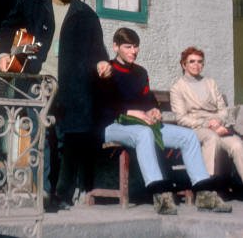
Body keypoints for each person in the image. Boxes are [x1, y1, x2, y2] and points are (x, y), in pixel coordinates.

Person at [0, 0, 111, 210]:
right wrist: (4, 53)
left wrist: (103, 63)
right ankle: (43, 192)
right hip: (37, 82)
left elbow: (97, 49)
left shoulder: (85, 14)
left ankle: (57, 192)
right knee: (40, 136)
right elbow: (7, 27)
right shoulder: (33, 2)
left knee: (61, 140)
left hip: (68, 87)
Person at [98, 27, 231, 215]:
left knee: (188, 136)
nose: (133, 51)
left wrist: (154, 110)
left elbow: (148, 101)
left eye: (136, 46)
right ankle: (160, 195)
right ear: (115, 47)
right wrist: (131, 112)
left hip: (142, 124)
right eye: (128, 47)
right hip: (113, 125)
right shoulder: (106, 70)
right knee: (144, 134)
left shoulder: (140, 72)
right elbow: (102, 106)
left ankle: (205, 194)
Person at [170, 46, 243, 185]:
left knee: (237, 144)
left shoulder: (211, 83)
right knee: (211, 137)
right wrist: (207, 124)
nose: (196, 65)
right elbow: (181, 118)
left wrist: (218, 121)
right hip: (196, 128)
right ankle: (207, 186)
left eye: (200, 61)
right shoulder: (178, 88)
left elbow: (223, 109)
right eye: (192, 61)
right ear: (184, 64)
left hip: (217, 125)